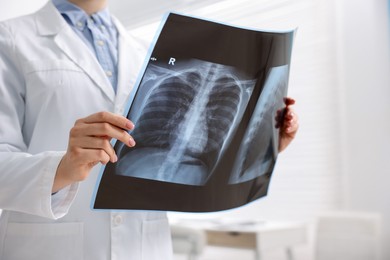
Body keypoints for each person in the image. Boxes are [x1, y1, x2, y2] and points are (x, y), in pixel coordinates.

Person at [0, 0, 299, 259]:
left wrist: (263, 143)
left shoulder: (148, 51)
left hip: (144, 246)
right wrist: (62, 168)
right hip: (50, 249)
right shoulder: (10, 39)